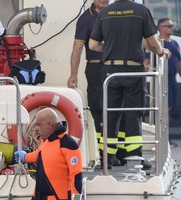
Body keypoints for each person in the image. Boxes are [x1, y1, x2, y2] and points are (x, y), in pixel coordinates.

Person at [89, 0, 170, 168]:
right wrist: (161, 52)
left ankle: (107, 159)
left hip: (110, 71)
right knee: (133, 114)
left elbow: (93, 44)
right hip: (133, 70)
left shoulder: (105, 13)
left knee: (109, 114)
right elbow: (152, 42)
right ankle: (133, 157)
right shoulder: (141, 11)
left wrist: (112, 48)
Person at [67, 0, 108, 160]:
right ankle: (105, 154)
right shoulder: (86, 18)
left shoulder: (114, 14)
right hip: (96, 69)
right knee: (98, 109)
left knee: (118, 109)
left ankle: (121, 154)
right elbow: (77, 48)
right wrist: (73, 74)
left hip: (116, 69)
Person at [157, 18, 181, 124]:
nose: (171, 28)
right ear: (160, 28)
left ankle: (168, 135)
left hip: (172, 79)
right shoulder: (157, 43)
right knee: (165, 107)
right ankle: (165, 136)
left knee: (173, 107)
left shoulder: (174, 43)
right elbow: (147, 61)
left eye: (172, 26)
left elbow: (179, 62)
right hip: (162, 78)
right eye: (168, 26)